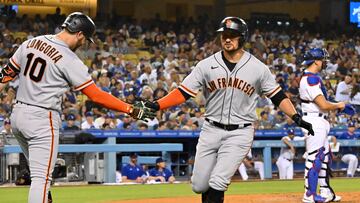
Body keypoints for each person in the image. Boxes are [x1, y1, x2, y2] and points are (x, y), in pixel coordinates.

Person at [143, 16, 314, 203]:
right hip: (211, 129)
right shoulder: (206, 65)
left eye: (232, 35)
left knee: (218, 181)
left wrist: (296, 117)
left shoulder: (258, 68)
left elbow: (277, 96)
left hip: (240, 132)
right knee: (199, 185)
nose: (227, 39)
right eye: (224, 34)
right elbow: (183, 92)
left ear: (242, 38)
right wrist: (158, 104)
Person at [0, 12, 154, 203]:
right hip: (41, 119)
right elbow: (97, 95)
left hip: (17, 117)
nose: (84, 44)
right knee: (42, 179)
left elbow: (5, 76)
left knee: (39, 174)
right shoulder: (69, 60)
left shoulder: (32, 42)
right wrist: (130, 109)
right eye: (85, 39)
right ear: (80, 34)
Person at [299, 48, 346, 203]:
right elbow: (323, 104)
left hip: (319, 120)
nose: (325, 62)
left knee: (324, 157)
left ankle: (325, 192)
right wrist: (339, 105)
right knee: (314, 158)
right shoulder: (310, 79)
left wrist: (337, 106)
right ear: (316, 61)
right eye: (323, 59)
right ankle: (309, 195)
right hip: (314, 121)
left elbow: (323, 105)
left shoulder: (313, 78)